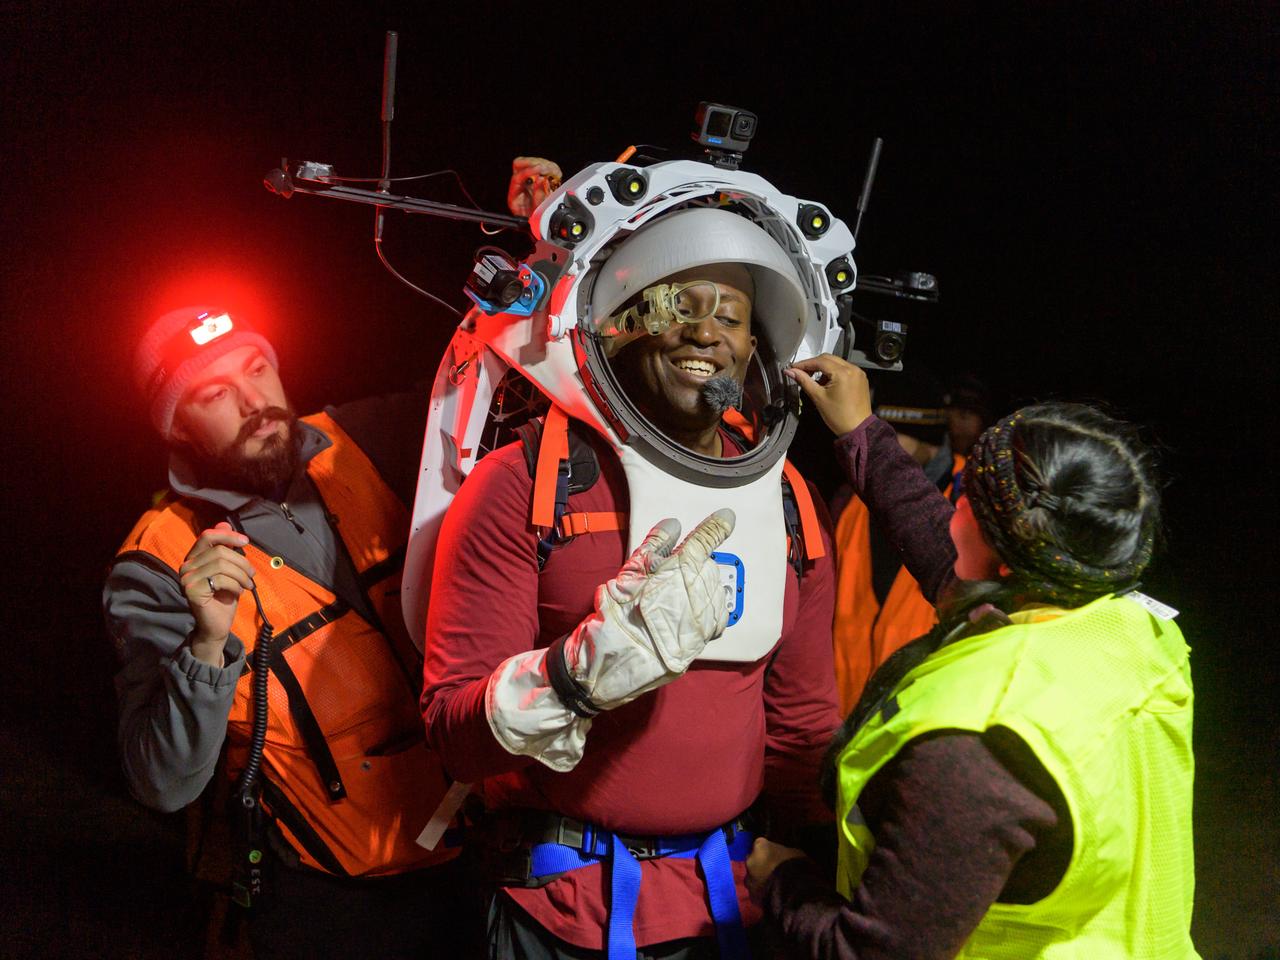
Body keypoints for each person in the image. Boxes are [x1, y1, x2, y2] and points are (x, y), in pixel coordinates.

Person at [421, 210, 841, 958]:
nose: (705, 332)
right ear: (623, 324)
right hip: (562, 910)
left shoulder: (787, 501)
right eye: (678, 303)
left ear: (755, 350)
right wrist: (573, 679)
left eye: (732, 316)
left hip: (729, 910)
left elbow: (803, 729)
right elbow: (456, 736)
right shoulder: (524, 485)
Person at [746, 354, 1198, 958]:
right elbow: (950, 556)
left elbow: (871, 951)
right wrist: (861, 432)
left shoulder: (980, 739)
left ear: (1007, 557)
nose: (951, 502)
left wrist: (783, 881)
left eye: (967, 500)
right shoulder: (1134, 632)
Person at [104, 305, 468, 959]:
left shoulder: (369, 437)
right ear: (178, 427)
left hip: (483, 853)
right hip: (333, 904)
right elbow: (161, 781)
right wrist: (207, 644)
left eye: (258, 369)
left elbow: (497, 378)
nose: (254, 402)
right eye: (214, 394)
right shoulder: (156, 565)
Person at [829, 366, 965, 712]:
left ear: (928, 436)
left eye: (891, 433)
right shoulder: (850, 502)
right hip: (843, 721)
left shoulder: (971, 501)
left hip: (918, 722)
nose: (880, 446)